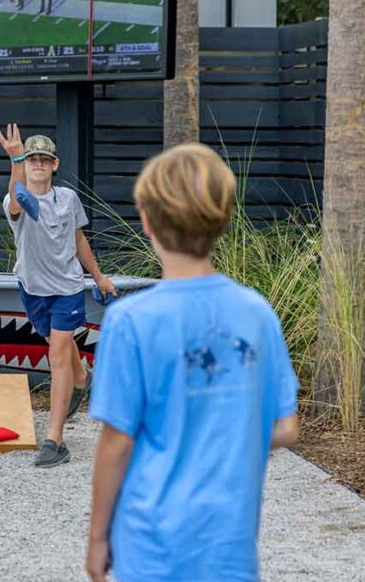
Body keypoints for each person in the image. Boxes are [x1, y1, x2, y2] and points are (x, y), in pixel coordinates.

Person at [85, 143, 301, 582]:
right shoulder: (257, 312)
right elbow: (286, 427)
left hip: (151, 546)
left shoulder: (129, 320)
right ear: (222, 219)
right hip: (231, 544)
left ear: (146, 220)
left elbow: (117, 442)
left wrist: (98, 538)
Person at [0, 124, 116, 468]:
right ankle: (82, 379)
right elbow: (18, 200)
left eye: (43, 159)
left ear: (54, 164)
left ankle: (55, 440)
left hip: (67, 288)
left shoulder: (68, 199)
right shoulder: (15, 199)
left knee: (58, 354)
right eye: (32, 159)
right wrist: (15, 158)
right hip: (32, 288)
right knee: (61, 350)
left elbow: (78, 240)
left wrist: (98, 276)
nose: (37, 164)